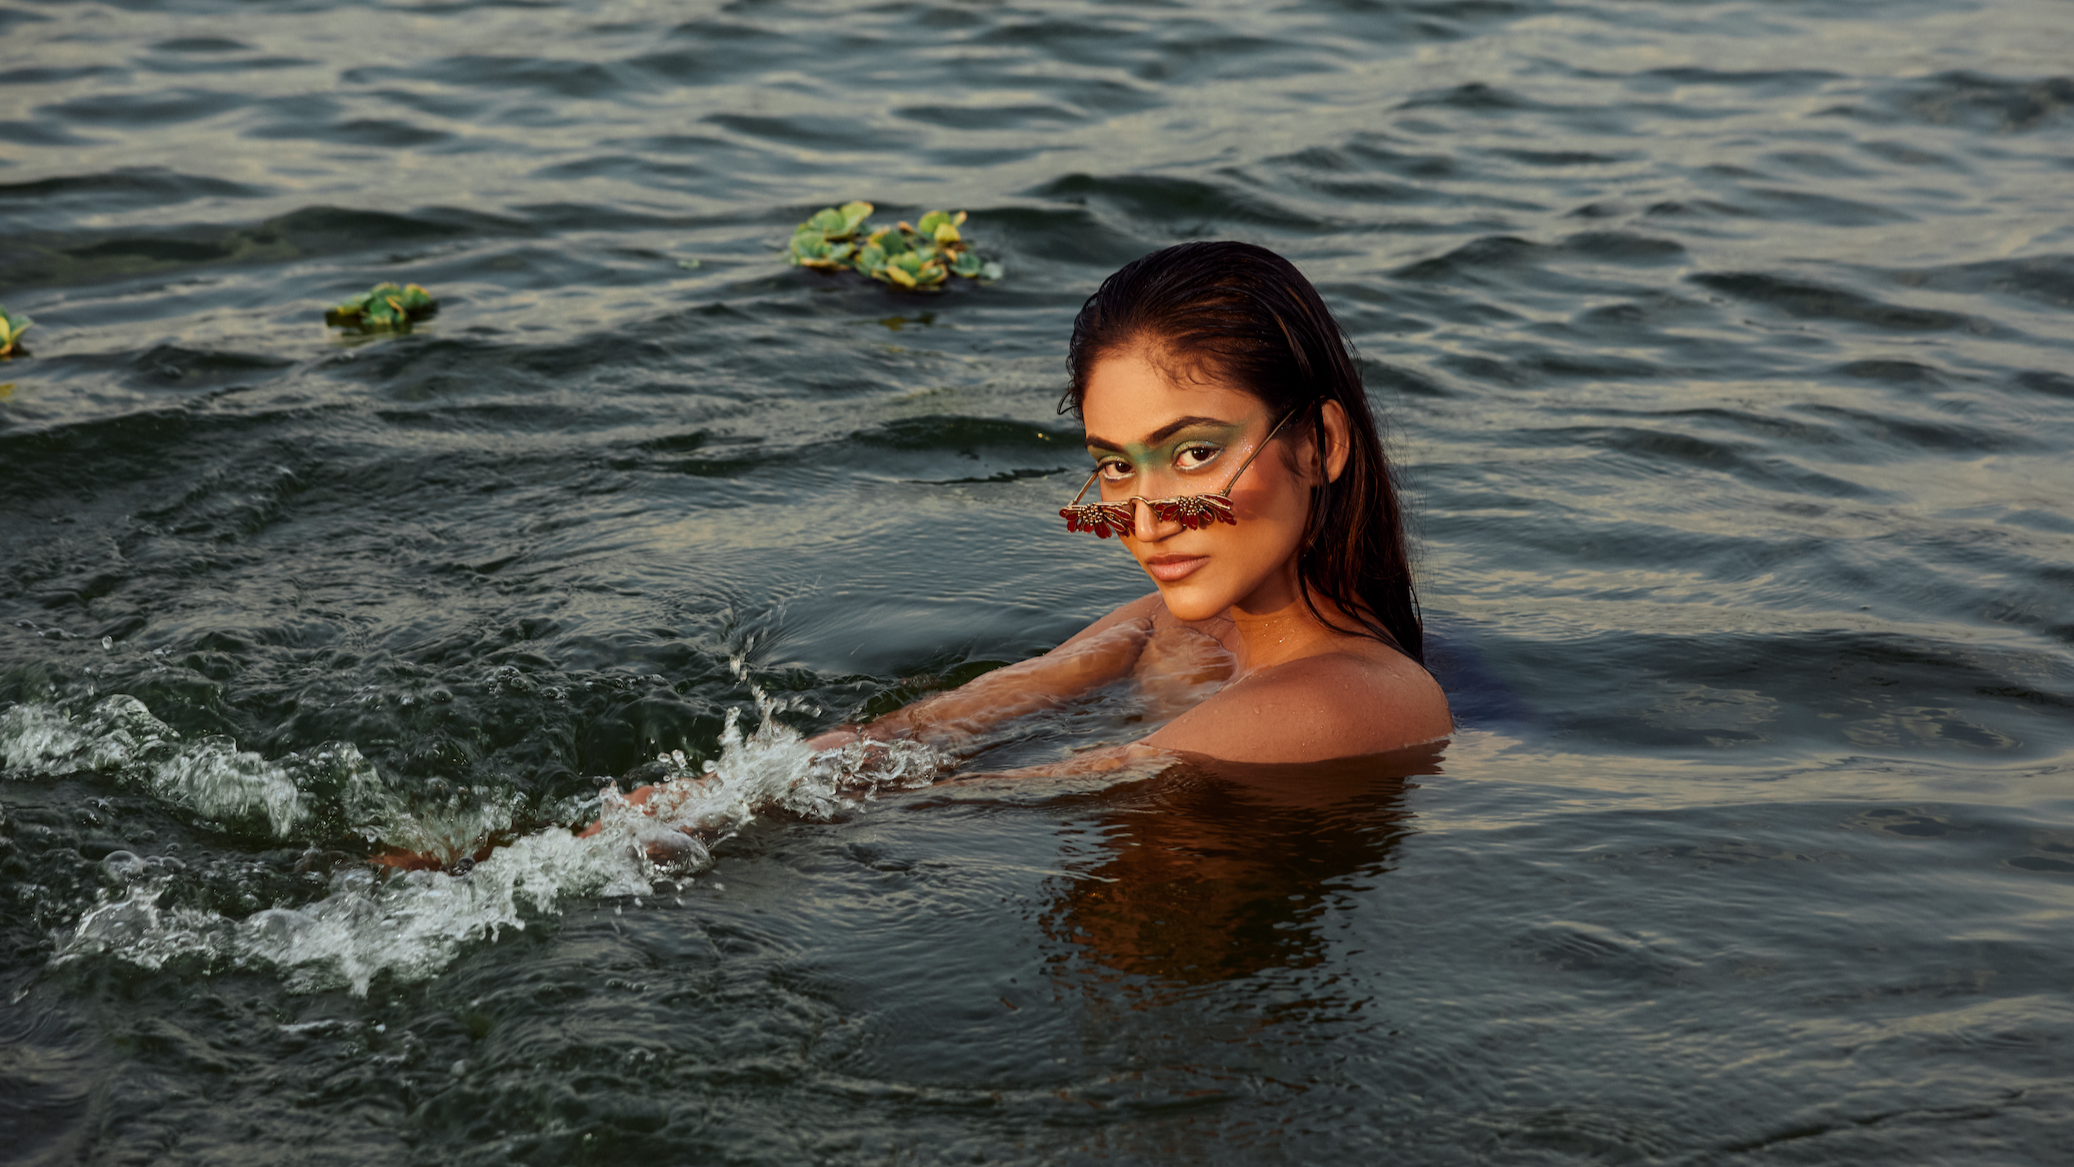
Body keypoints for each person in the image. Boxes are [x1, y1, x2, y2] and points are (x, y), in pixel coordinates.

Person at [816, 239, 1451, 771]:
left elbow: (974, 804)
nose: (1147, 521)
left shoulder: (1344, 698)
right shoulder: (1168, 629)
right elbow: (895, 739)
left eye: (1195, 452)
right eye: (1117, 466)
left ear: (1320, 444)